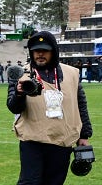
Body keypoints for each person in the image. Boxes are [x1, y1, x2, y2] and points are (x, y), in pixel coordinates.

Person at [7, 31, 93, 184]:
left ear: (54, 51)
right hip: (33, 140)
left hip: (62, 139)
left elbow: (80, 105)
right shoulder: (21, 74)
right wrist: (19, 94)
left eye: (45, 50)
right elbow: (13, 107)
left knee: (54, 182)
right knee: (29, 182)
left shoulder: (71, 73)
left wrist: (84, 135)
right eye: (36, 51)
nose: (40, 54)